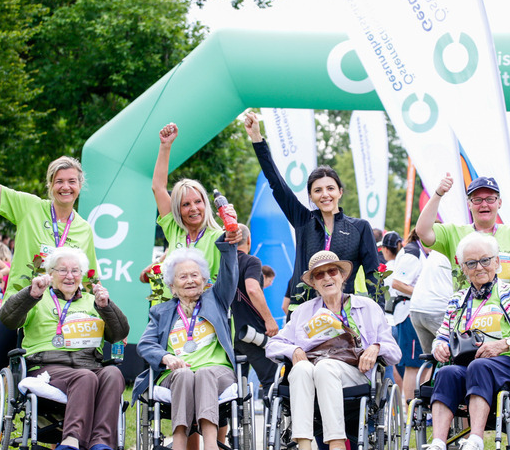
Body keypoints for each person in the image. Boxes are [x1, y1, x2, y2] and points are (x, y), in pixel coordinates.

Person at [0, 117, 97, 450]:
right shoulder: (29, 207)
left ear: (80, 186)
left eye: (71, 181)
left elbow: (91, 276)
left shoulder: (83, 229)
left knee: (65, 381)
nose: (65, 187)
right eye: (58, 181)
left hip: (59, 318)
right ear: (50, 186)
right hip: (21, 307)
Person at [413, 233, 510, 450]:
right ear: (463, 268)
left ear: (497, 262)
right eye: (471, 263)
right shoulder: (458, 300)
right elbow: (443, 334)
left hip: (507, 364)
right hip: (466, 365)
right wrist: (439, 346)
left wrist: (503, 344)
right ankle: (438, 447)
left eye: (485, 260)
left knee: (479, 366)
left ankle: (475, 442)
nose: (479, 267)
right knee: (447, 373)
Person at [265, 251, 400, 450]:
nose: (327, 278)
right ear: (314, 284)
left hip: (353, 372)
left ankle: (338, 447)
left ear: (342, 276)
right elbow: (272, 345)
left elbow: (394, 352)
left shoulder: (366, 307)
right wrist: (294, 349)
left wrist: (376, 347)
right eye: (319, 275)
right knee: (300, 370)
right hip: (313, 373)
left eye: (332, 271)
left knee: (325, 367)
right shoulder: (303, 312)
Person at [0, 246, 129, 450]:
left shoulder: (92, 301)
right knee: (85, 377)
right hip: (46, 367)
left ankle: (101, 444)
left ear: (82, 275)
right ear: (50, 273)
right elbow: (8, 319)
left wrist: (106, 307)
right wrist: (30, 294)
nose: (70, 276)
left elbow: (119, 334)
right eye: (63, 270)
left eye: (76, 271)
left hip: (88, 364)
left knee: (113, 373)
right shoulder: (38, 298)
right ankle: (70, 442)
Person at [134, 235, 240, 450]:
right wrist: (165, 356)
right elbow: (145, 344)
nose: (190, 280)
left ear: (205, 280)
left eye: (195, 275)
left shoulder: (216, 299)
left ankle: (211, 448)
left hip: (218, 373)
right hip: (176, 375)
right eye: (183, 277)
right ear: (172, 285)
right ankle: (178, 443)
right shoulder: (161, 312)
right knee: (184, 374)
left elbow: (229, 273)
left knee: (202, 372)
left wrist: (228, 246)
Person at [244, 111, 380, 311]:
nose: (325, 194)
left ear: (340, 192)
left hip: (344, 312)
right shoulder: (303, 220)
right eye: (318, 190)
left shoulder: (359, 228)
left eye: (330, 188)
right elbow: (276, 182)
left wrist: (378, 315)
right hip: (304, 310)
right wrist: (257, 138)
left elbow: (373, 275)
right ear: (310, 196)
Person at [415, 173, 510, 297]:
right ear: (469, 204)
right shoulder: (453, 233)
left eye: (490, 199)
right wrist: (438, 194)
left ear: (499, 203)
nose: (484, 204)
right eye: (477, 200)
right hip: (469, 314)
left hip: (508, 313)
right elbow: (422, 231)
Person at [152, 122, 227, 283]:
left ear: (205, 204)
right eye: (186, 204)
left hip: (204, 307)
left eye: (198, 202)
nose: (194, 208)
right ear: (177, 210)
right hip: (171, 306)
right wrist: (165, 146)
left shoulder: (219, 237)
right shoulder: (174, 229)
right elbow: (158, 187)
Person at [232, 223, 279, 392]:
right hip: (251, 332)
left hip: (228, 333)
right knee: (272, 381)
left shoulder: (221, 263)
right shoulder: (251, 261)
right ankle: (273, 418)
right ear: (249, 240)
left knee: (235, 387)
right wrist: (269, 319)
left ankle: (236, 417)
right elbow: (252, 289)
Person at [407, 242, 453, 396]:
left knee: (432, 360)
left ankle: (422, 404)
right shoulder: (454, 251)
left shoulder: (435, 253)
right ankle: (441, 401)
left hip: (417, 308)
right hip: (437, 308)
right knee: (450, 357)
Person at [383, 230, 424, 402]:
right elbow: (398, 283)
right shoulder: (412, 253)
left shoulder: (415, 252)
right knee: (412, 365)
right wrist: (424, 293)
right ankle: (410, 411)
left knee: (419, 363)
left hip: (412, 312)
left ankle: (419, 408)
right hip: (408, 313)